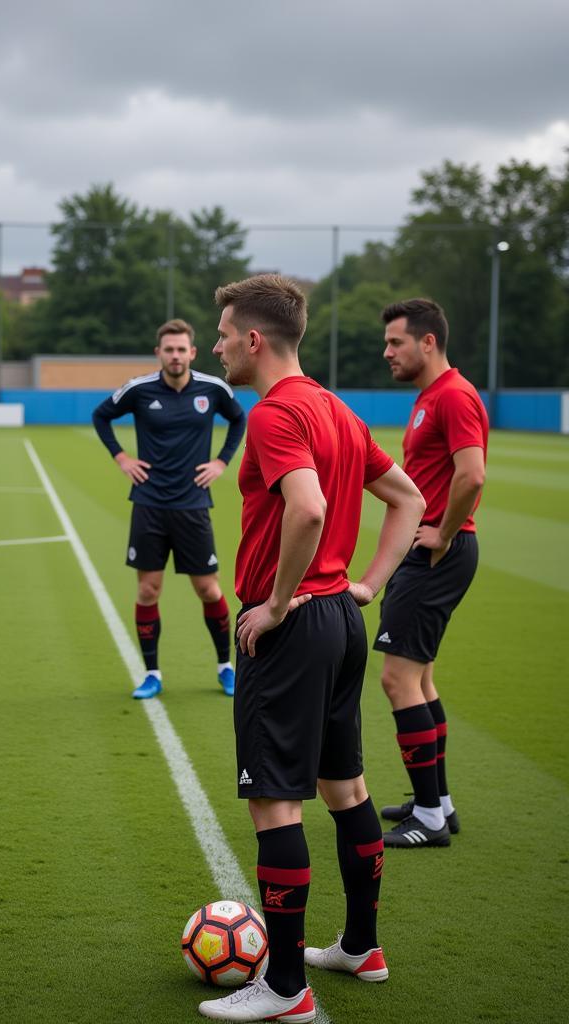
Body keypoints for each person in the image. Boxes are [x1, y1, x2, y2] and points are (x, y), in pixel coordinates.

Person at [199, 275, 425, 1022]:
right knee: (348, 789)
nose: (216, 344)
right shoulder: (335, 407)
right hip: (340, 622)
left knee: (275, 804)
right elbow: (409, 500)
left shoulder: (273, 415)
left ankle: (286, 987)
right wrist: (366, 584)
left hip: (293, 627)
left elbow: (309, 507)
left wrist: (271, 602)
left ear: (255, 340)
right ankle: (362, 946)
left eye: (225, 332)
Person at [374, 299, 488, 848]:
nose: (387, 351)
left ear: (428, 342)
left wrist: (442, 533)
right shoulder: (431, 397)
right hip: (432, 550)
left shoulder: (454, 396)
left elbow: (473, 472)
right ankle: (437, 800)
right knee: (419, 678)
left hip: (438, 551)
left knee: (397, 679)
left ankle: (430, 818)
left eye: (396, 342)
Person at [92, 318, 246, 699]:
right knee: (148, 589)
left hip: (193, 505)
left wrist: (222, 461)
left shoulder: (213, 389)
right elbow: (101, 416)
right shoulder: (139, 389)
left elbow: (239, 418)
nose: (175, 356)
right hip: (149, 504)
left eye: (182, 349)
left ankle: (226, 667)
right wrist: (122, 458)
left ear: (192, 353)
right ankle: (152, 674)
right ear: (158, 353)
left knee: (209, 590)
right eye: (169, 349)